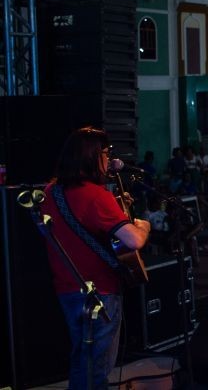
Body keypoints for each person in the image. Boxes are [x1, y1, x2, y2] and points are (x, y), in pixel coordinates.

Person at [41, 127, 151, 388]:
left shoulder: (49, 192)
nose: (108, 158)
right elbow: (133, 240)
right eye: (105, 153)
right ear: (92, 156)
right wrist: (143, 226)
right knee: (97, 367)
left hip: (67, 289)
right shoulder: (95, 196)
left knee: (82, 359)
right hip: (100, 291)